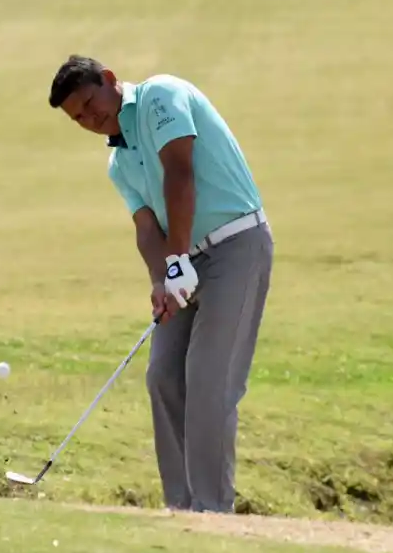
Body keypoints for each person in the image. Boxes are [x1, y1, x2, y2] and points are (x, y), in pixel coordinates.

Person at [48, 54, 274, 514]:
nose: (91, 119)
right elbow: (146, 227)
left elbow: (179, 172)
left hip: (236, 246)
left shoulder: (160, 95)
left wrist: (174, 261)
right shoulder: (119, 164)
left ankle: (212, 508)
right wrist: (160, 279)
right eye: (79, 118)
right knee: (164, 377)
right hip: (183, 259)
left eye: (91, 103)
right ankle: (182, 506)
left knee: (209, 381)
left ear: (110, 81)